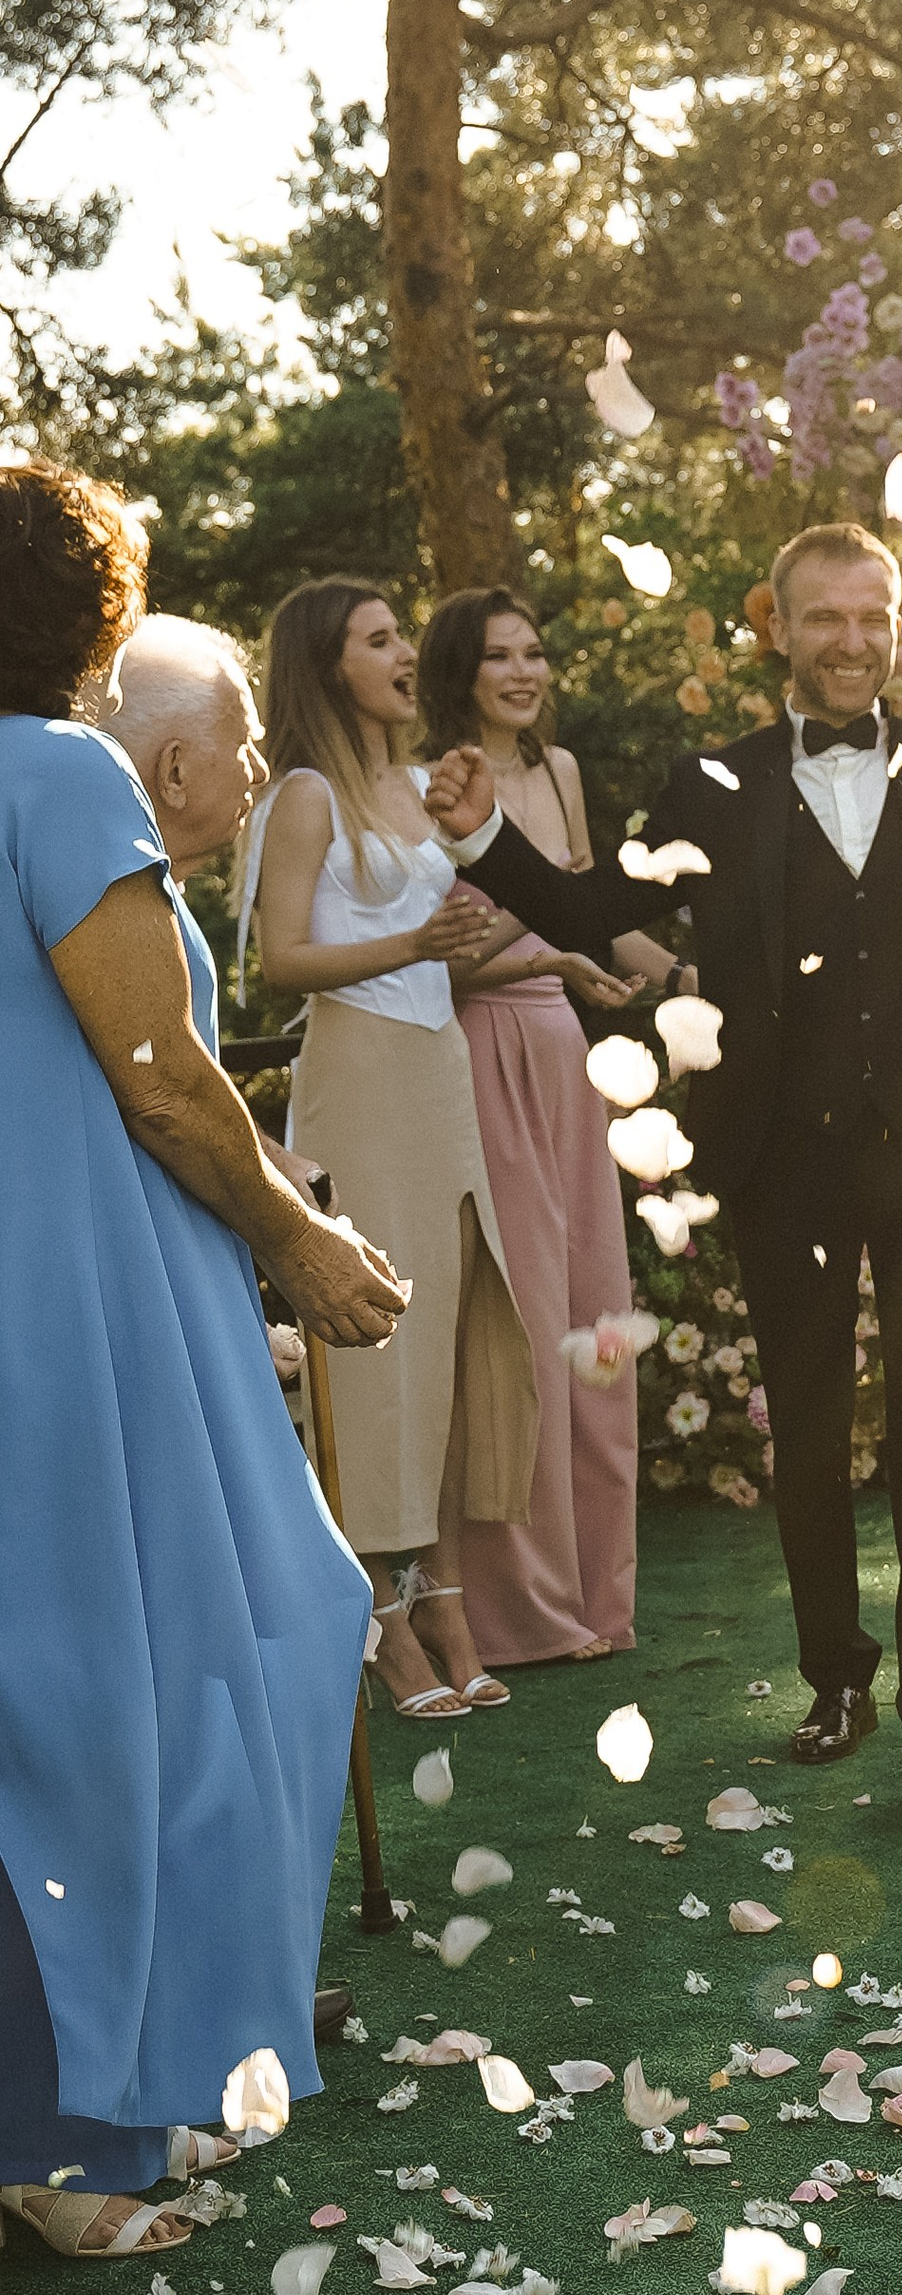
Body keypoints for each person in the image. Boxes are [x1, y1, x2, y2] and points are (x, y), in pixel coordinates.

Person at [426, 521, 902, 1795]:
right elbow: (591, 912)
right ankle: (836, 1682)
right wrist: (482, 840)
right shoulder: (709, 785)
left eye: (873, 619)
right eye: (826, 620)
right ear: (779, 627)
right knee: (804, 1424)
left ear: (898, 627)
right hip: (781, 1156)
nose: (852, 644)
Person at [0, 469, 401, 2258]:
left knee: (65, 1700)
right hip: (81, 1298)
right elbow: (159, 1072)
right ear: (86, 618)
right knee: (172, 1669)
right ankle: (75, 2147)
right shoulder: (60, 772)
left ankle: (122, 2102)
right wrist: (301, 1242)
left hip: (89, 1279)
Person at [241, 581, 539, 1723]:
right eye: (378, 639)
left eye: (400, 633)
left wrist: (530, 952)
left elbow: (452, 948)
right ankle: (379, 1616)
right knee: (374, 1350)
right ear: (329, 667)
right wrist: (419, 939)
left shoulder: (421, 789)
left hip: (441, 1071)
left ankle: (445, 1596)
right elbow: (283, 960)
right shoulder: (305, 795)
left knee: (454, 1331)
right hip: (359, 1078)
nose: (407, 651)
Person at [418, 587, 663, 1669]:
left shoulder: (560, 775)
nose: (523, 672)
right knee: (520, 1330)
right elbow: (452, 951)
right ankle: (519, 1611)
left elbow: (600, 915)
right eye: (497, 656)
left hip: (568, 1054)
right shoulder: (431, 788)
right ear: (458, 674)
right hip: (478, 1051)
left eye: (534, 651)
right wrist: (553, 931)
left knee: (596, 1316)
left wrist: (700, 980)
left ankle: (599, 1600)